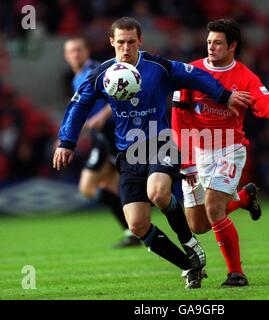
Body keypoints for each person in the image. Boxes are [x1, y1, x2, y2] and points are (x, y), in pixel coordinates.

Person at [53, 17, 249, 289]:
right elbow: (79, 105)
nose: (125, 48)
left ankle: (189, 241)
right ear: (111, 42)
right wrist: (67, 141)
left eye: (131, 42)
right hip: (128, 153)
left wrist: (223, 95)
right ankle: (189, 264)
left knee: (157, 193)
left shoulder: (158, 66)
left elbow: (196, 76)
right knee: (137, 225)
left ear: (140, 41)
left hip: (160, 142)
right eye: (120, 42)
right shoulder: (103, 74)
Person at [171, 18, 269, 287]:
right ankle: (244, 198)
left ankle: (236, 273)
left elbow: (262, 101)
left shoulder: (245, 76)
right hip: (197, 151)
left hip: (229, 147)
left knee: (214, 207)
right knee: (199, 224)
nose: (211, 47)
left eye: (217, 43)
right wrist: (187, 161)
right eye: (209, 42)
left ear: (232, 46)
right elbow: (178, 118)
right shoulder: (192, 73)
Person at [63, 36, 142, 248]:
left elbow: (119, 96)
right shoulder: (77, 77)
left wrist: (101, 117)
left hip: (113, 134)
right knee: (106, 186)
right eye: (72, 51)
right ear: (66, 56)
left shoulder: (99, 72)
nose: (76, 54)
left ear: (87, 51)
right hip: (102, 137)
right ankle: (133, 230)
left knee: (88, 187)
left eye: (79, 49)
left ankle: (139, 222)